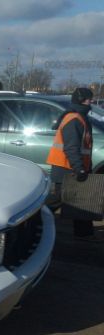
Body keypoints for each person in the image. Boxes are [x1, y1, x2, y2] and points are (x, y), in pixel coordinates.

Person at [46, 87, 102, 242]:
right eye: (88, 98)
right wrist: (79, 168)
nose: (91, 101)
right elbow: (71, 148)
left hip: (72, 168)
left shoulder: (80, 117)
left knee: (82, 199)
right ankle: (32, 223)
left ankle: (84, 234)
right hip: (66, 169)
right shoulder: (74, 120)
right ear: (80, 100)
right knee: (56, 200)